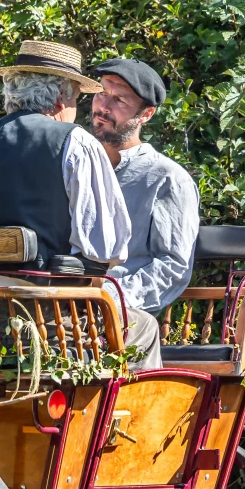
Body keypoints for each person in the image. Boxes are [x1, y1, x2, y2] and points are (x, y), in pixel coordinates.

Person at [0, 38, 162, 368]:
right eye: (78, 98)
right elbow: (105, 249)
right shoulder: (75, 143)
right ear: (61, 97)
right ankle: (127, 419)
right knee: (144, 326)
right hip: (48, 325)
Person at [88, 57, 200, 315]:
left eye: (119, 100)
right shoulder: (75, 165)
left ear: (146, 114)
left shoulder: (167, 178)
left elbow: (172, 267)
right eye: (101, 93)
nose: (103, 106)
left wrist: (106, 299)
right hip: (61, 304)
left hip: (119, 314)